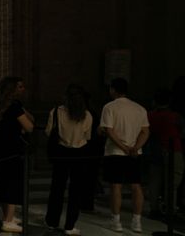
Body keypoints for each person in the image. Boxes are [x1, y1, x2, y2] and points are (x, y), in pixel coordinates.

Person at [99, 77, 150, 233]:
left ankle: (116, 221)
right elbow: (145, 131)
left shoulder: (110, 107)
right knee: (136, 185)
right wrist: (135, 147)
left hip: (116, 152)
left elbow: (109, 130)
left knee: (116, 185)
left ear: (113, 90)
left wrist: (123, 147)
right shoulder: (139, 108)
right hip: (135, 153)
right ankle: (137, 221)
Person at [44, 84, 93, 235]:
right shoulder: (86, 115)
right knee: (76, 190)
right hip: (80, 154)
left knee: (57, 188)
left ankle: (52, 221)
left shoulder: (57, 112)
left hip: (61, 153)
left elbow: (48, 132)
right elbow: (88, 136)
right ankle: (70, 225)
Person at [0, 77, 34, 233]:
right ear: (12, 90)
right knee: (13, 184)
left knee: (3, 184)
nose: (23, 89)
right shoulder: (15, 106)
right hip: (12, 150)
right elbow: (29, 127)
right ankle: (8, 221)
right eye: (20, 86)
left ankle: (7, 216)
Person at [147, 88, 184, 220]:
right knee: (173, 181)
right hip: (173, 149)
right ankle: (170, 209)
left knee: (155, 181)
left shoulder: (150, 115)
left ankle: (154, 208)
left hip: (155, 149)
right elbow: (182, 132)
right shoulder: (175, 116)